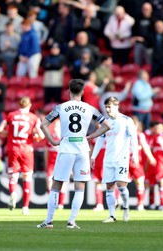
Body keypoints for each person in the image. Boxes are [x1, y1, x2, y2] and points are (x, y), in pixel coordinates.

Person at [37, 79, 111, 229]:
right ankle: (71, 221)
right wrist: (91, 136)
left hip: (66, 149)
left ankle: (49, 221)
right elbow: (107, 125)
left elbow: (43, 124)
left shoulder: (60, 107)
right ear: (83, 92)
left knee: (56, 185)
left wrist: (52, 140)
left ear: (68, 92)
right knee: (80, 186)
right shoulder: (90, 108)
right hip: (83, 149)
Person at [91, 96, 138, 222]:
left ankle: (126, 207)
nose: (107, 109)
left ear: (117, 106)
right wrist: (93, 156)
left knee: (121, 186)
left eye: (109, 107)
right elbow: (100, 139)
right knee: (109, 187)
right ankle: (112, 215)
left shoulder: (126, 120)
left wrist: (135, 155)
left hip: (121, 158)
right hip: (108, 159)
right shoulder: (105, 122)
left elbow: (134, 137)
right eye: (106, 107)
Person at [0, 96, 44, 215]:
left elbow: (0, 129)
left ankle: (13, 193)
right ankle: (25, 208)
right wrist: (35, 138)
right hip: (27, 149)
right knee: (27, 178)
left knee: (13, 177)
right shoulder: (33, 117)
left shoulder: (11, 115)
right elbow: (41, 135)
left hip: (13, 148)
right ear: (30, 105)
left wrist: (9, 134)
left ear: (19, 105)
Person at [130, 116, 156, 210]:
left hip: (136, 163)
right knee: (121, 184)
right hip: (126, 162)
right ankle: (120, 203)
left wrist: (150, 157)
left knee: (140, 182)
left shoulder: (139, 135)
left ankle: (140, 205)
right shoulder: (123, 135)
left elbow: (145, 147)